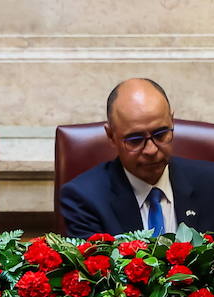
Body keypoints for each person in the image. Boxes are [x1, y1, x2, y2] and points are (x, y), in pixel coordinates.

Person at [59, 78, 214, 238]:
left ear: (171, 121)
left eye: (161, 134)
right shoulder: (84, 199)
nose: (151, 150)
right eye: (135, 140)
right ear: (111, 136)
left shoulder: (210, 183)